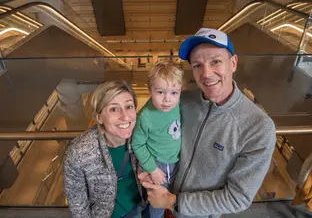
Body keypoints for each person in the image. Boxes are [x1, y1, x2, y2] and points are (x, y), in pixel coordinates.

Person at [140, 28, 277, 218]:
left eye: (216, 62)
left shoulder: (258, 127)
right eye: (197, 65)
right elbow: (144, 130)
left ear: (234, 63)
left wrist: (173, 201)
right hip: (162, 204)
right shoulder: (180, 101)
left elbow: (238, 198)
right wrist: (146, 167)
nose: (206, 73)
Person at [63, 80, 146, 218]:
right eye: (114, 109)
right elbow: (77, 203)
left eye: (129, 106)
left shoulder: (143, 137)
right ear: (99, 117)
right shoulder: (79, 152)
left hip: (139, 209)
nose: (125, 116)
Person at [132, 61, 183, 218]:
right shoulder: (145, 117)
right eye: (160, 92)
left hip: (176, 162)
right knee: (158, 202)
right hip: (157, 165)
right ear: (149, 90)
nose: (167, 99)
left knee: (174, 198)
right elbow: (137, 144)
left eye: (174, 93)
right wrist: (152, 169)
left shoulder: (177, 104)